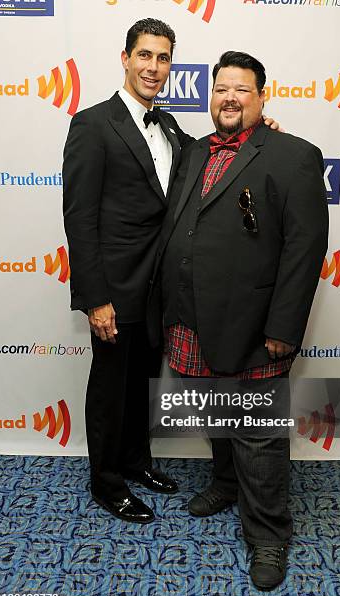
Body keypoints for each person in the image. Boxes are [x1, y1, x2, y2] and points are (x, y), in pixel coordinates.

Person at [63, 17, 282, 524]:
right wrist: (95, 298)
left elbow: (214, 157)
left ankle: (137, 462)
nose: (153, 67)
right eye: (145, 55)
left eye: (163, 58)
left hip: (160, 290)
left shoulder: (170, 127)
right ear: (125, 58)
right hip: (115, 291)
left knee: (141, 382)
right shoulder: (93, 125)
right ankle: (107, 481)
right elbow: (79, 220)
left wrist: (258, 128)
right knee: (110, 388)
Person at [148, 51, 329, 589]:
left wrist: (283, 329)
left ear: (262, 96)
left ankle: (269, 535)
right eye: (221, 89)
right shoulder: (194, 150)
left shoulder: (294, 155)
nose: (229, 98)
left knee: (259, 434)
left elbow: (305, 249)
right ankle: (227, 483)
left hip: (254, 325)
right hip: (188, 318)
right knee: (216, 412)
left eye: (242, 90)